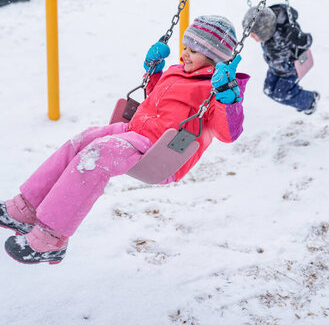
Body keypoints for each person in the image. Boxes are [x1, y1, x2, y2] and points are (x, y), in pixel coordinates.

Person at [0, 15, 249, 265]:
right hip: (134, 131)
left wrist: (226, 94)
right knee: (83, 140)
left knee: (97, 155)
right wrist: (154, 71)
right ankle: (24, 209)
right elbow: (158, 100)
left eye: (193, 50)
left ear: (214, 57)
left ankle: (50, 239)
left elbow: (228, 133)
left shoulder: (219, 88)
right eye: (185, 46)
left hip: (161, 152)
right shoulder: (178, 71)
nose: (184, 53)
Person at [243, 3, 319, 114]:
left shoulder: (286, 33)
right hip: (275, 68)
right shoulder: (267, 31)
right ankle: (296, 98)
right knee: (268, 90)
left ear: (264, 30)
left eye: (254, 34)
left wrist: (300, 39)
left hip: (291, 70)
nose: (251, 37)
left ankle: (309, 100)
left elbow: (307, 41)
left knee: (281, 94)